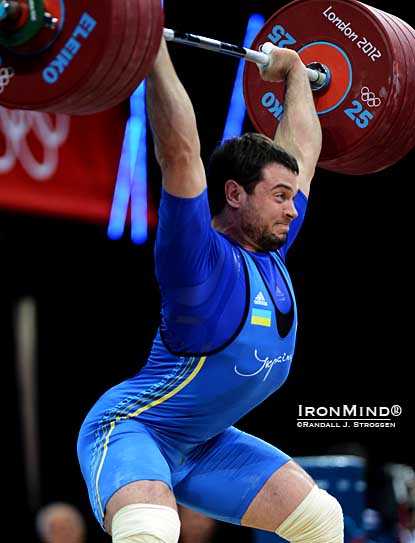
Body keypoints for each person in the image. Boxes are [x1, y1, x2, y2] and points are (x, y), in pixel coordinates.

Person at [77, 37, 344, 543]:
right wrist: (149, 45)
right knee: (153, 527)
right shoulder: (195, 256)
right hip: (134, 429)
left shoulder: (270, 254)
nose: (293, 208)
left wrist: (295, 76)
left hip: (204, 444)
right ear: (235, 194)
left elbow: (303, 149)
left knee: (324, 520)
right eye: (280, 196)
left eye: (293, 196)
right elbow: (178, 150)